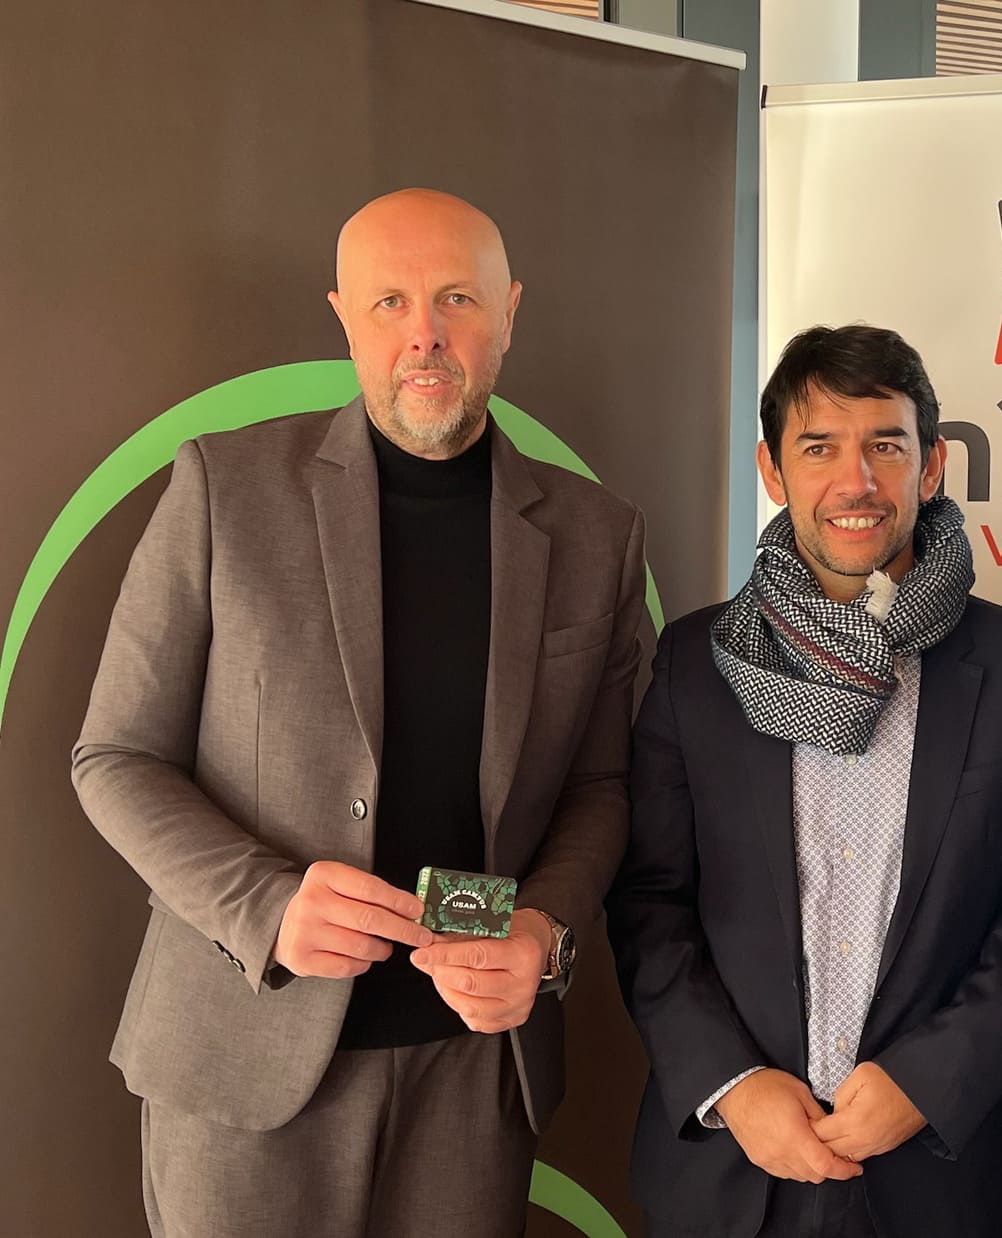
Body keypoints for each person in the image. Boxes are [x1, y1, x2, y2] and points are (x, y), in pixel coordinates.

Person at [72, 188, 646, 1237]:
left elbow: (603, 786)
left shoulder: (597, 534)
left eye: (456, 297)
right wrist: (265, 903)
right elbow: (115, 754)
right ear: (343, 313)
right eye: (389, 301)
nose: (423, 331)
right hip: (244, 1060)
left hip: (472, 1077)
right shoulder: (223, 486)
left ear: (509, 311)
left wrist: (546, 931)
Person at [607, 324, 1002, 1238]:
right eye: (820, 446)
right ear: (772, 468)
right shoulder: (694, 666)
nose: (857, 481)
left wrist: (929, 1080)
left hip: (936, 1173)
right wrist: (733, 1084)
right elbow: (649, 902)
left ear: (932, 465)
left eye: (885, 444)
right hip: (731, 1172)